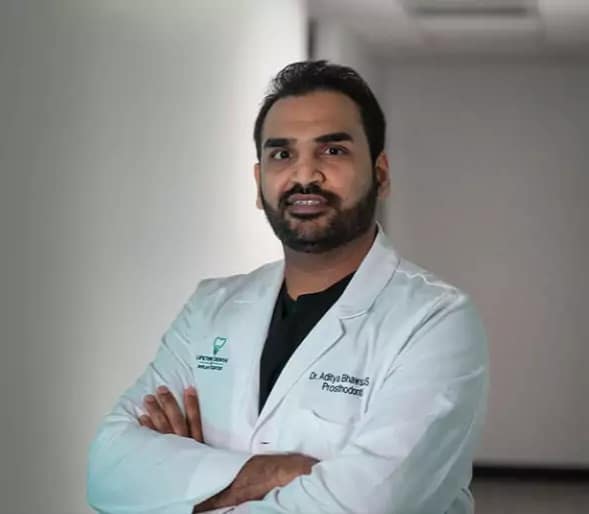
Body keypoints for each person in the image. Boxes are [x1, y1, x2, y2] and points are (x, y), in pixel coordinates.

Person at [87, 60, 489, 514]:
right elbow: (107, 470)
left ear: (380, 174)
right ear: (258, 182)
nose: (305, 175)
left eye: (332, 150)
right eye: (282, 154)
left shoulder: (436, 321)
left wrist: (183, 487)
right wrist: (273, 472)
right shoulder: (210, 308)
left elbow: (369, 505)